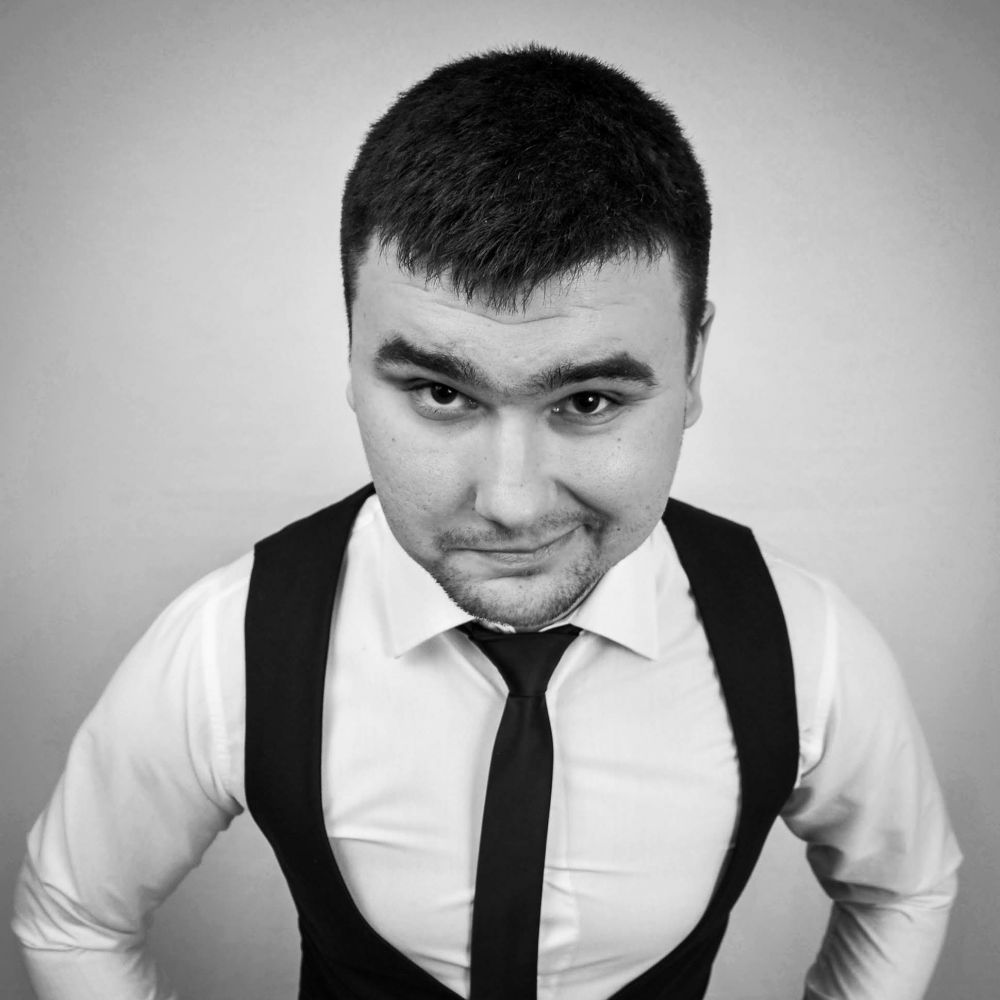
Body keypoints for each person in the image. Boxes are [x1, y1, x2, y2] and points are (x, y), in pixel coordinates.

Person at [13, 45, 960, 1000]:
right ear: (351, 357)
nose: (512, 503)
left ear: (694, 363)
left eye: (588, 401)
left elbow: (905, 888)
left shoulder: (805, 645)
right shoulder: (231, 640)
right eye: (441, 393)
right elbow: (73, 915)